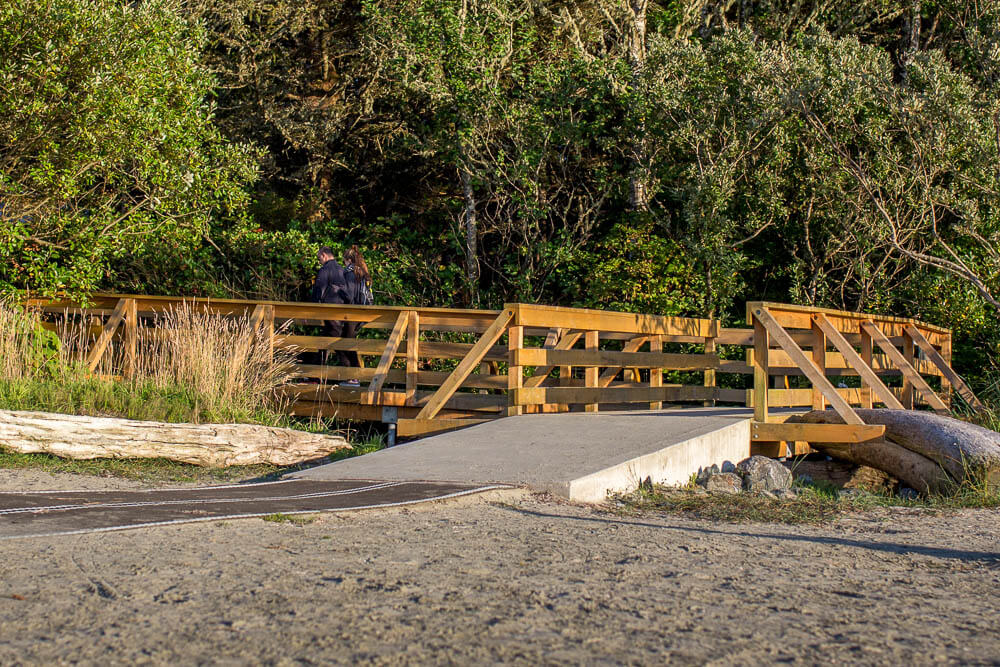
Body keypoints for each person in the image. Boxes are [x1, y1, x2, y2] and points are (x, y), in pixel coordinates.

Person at [311, 246, 351, 369]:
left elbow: (319, 290)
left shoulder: (325, 270)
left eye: (319, 259)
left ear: (324, 255)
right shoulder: (342, 270)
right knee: (325, 341)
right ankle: (316, 374)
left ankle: (352, 373)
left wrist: (312, 307)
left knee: (336, 342)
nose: (320, 261)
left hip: (329, 311)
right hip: (341, 310)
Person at [338, 245, 373, 385]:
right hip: (361, 313)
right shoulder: (362, 272)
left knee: (344, 343)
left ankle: (353, 376)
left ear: (348, 260)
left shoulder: (350, 272)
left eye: (344, 261)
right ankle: (354, 376)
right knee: (349, 343)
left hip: (351, 314)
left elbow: (349, 294)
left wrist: (338, 290)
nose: (343, 264)